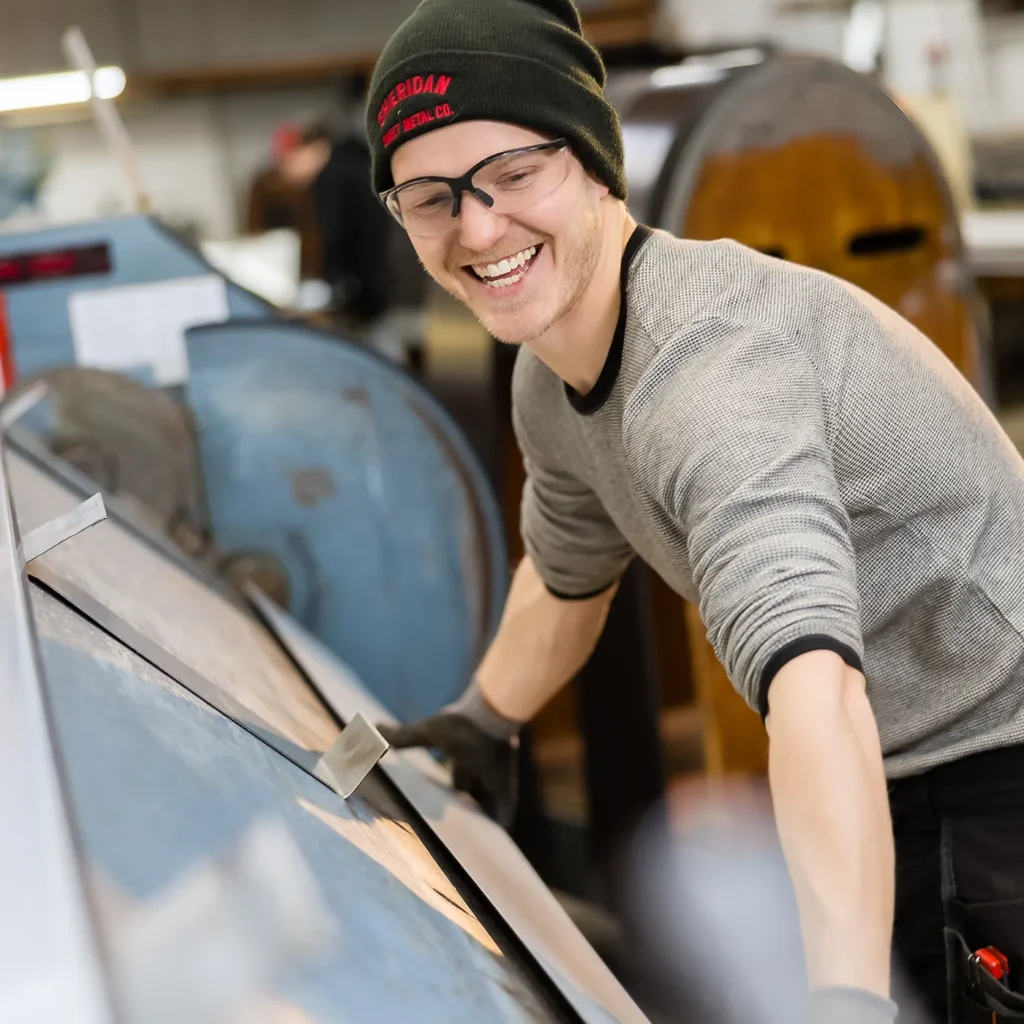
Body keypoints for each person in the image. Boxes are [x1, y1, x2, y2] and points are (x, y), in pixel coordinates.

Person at [368, 1, 1024, 1021]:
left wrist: (845, 995)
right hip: (888, 762)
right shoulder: (548, 380)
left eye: (511, 176)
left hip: (991, 761)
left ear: (592, 166)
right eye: (431, 197)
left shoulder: (707, 370)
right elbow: (564, 569)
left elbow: (815, 688)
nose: (477, 227)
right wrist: (479, 722)